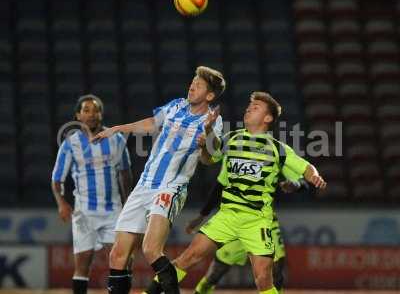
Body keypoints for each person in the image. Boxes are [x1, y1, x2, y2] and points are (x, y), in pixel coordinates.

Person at [144, 91, 326, 294]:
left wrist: (315, 176)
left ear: (268, 118)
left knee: (263, 278)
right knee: (188, 258)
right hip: (227, 216)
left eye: (256, 107)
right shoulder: (232, 139)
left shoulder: (277, 149)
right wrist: (209, 133)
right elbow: (208, 159)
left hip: (257, 220)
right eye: (249, 106)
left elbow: (306, 167)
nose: (249, 109)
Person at [92, 66, 226, 294]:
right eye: (193, 82)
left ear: (210, 96)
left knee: (151, 249)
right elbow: (152, 123)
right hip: (144, 184)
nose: (192, 86)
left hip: (170, 187)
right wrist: (118, 128)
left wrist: (208, 136)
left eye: (199, 85)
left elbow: (209, 159)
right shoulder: (176, 105)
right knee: (117, 254)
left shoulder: (213, 121)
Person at [51, 94, 133, 294]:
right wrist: (61, 203)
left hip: (113, 209)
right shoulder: (70, 144)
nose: (92, 114)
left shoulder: (116, 139)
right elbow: (57, 180)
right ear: (78, 116)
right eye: (86, 110)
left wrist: (128, 204)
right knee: (83, 265)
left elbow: (125, 173)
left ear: (101, 114)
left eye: (95, 110)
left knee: (122, 261)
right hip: (84, 212)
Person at [188, 178, 309, 294]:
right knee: (215, 273)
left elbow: (304, 185)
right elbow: (218, 188)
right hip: (237, 223)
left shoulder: (279, 159)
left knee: (276, 269)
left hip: (266, 224)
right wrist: (201, 216)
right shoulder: (234, 160)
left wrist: (296, 185)